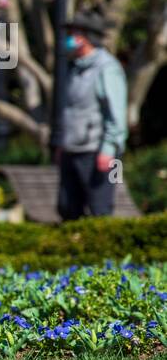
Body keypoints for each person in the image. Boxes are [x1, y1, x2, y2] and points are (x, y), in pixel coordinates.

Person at [54, 12, 128, 221]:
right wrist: (61, 143)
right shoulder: (73, 68)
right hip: (72, 149)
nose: (69, 37)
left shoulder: (107, 68)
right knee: (67, 208)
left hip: (99, 152)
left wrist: (109, 149)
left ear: (87, 37)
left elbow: (116, 113)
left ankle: (106, 254)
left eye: (74, 33)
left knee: (100, 208)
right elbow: (70, 110)